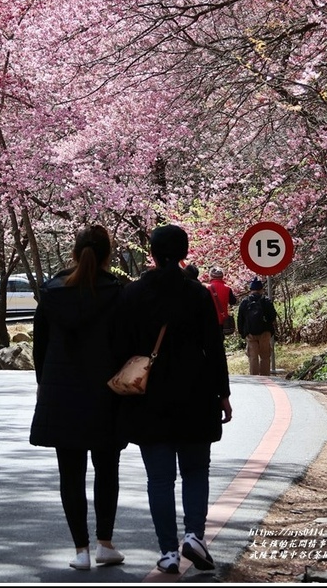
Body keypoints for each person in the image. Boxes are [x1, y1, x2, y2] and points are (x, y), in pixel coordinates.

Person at [112, 224, 232, 575]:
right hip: (196, 394)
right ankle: (194, 534)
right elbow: (215, 347)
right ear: (185, 253)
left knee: (159, 480)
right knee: (196, 470)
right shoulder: (197, 294)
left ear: (151, 253)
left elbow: (119, 347)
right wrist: (223, 393)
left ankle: (167, 551)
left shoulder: (132, 295)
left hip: (150, 399)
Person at [29, 224, 126, 571]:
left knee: (70, 473)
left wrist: (45, 384)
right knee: (106, 470)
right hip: (105, 392)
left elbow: (40, 348)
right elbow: (124, 345)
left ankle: (80, 550)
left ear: (74, 252)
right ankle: (105, 543)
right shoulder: (117, 293)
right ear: (107, 255)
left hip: (61, 393)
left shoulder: (52, 293)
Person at [237, 277, 277, 376]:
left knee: (253, 357)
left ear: (250, 290)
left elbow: (240, 319)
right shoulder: (266, 300)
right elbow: (272, 316)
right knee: (265, 356)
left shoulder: (245, 302)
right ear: (261, 289)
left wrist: (243, 333)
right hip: (265, 332)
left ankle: (255, 379)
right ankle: (265, 378)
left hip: (250, 333)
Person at [206, 267, 238, 337]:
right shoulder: (227, 288)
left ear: (211, 276)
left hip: (209, 319)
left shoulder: (206, 288)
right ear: (222, 276)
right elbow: (233, 301)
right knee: (220, 341)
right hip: (223, 320)